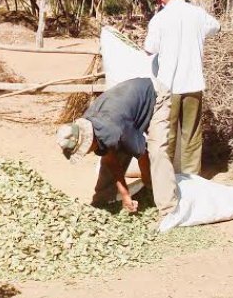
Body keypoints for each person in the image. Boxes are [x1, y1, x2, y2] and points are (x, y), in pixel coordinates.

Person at [56, 77, 178, 216]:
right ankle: (102, 201)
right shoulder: (89, 124)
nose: (85, 153)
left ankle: (169, 211)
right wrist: (125, 195)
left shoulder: (116, 130)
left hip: (155, 97)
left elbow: (142, 154)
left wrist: (147, 182)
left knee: (157, 152)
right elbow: (110, 161)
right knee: (111, 156)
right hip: (127, 109)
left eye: (83, 150)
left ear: (89, 141)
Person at [144, 0, 220, 175]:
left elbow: (149, 49)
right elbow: (216, 27)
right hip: (193, 83)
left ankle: (167, 180)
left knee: (166, 136)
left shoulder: (159, 19)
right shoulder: (197, 13)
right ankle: (191, 180)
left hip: (168, 87)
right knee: (192, 136)